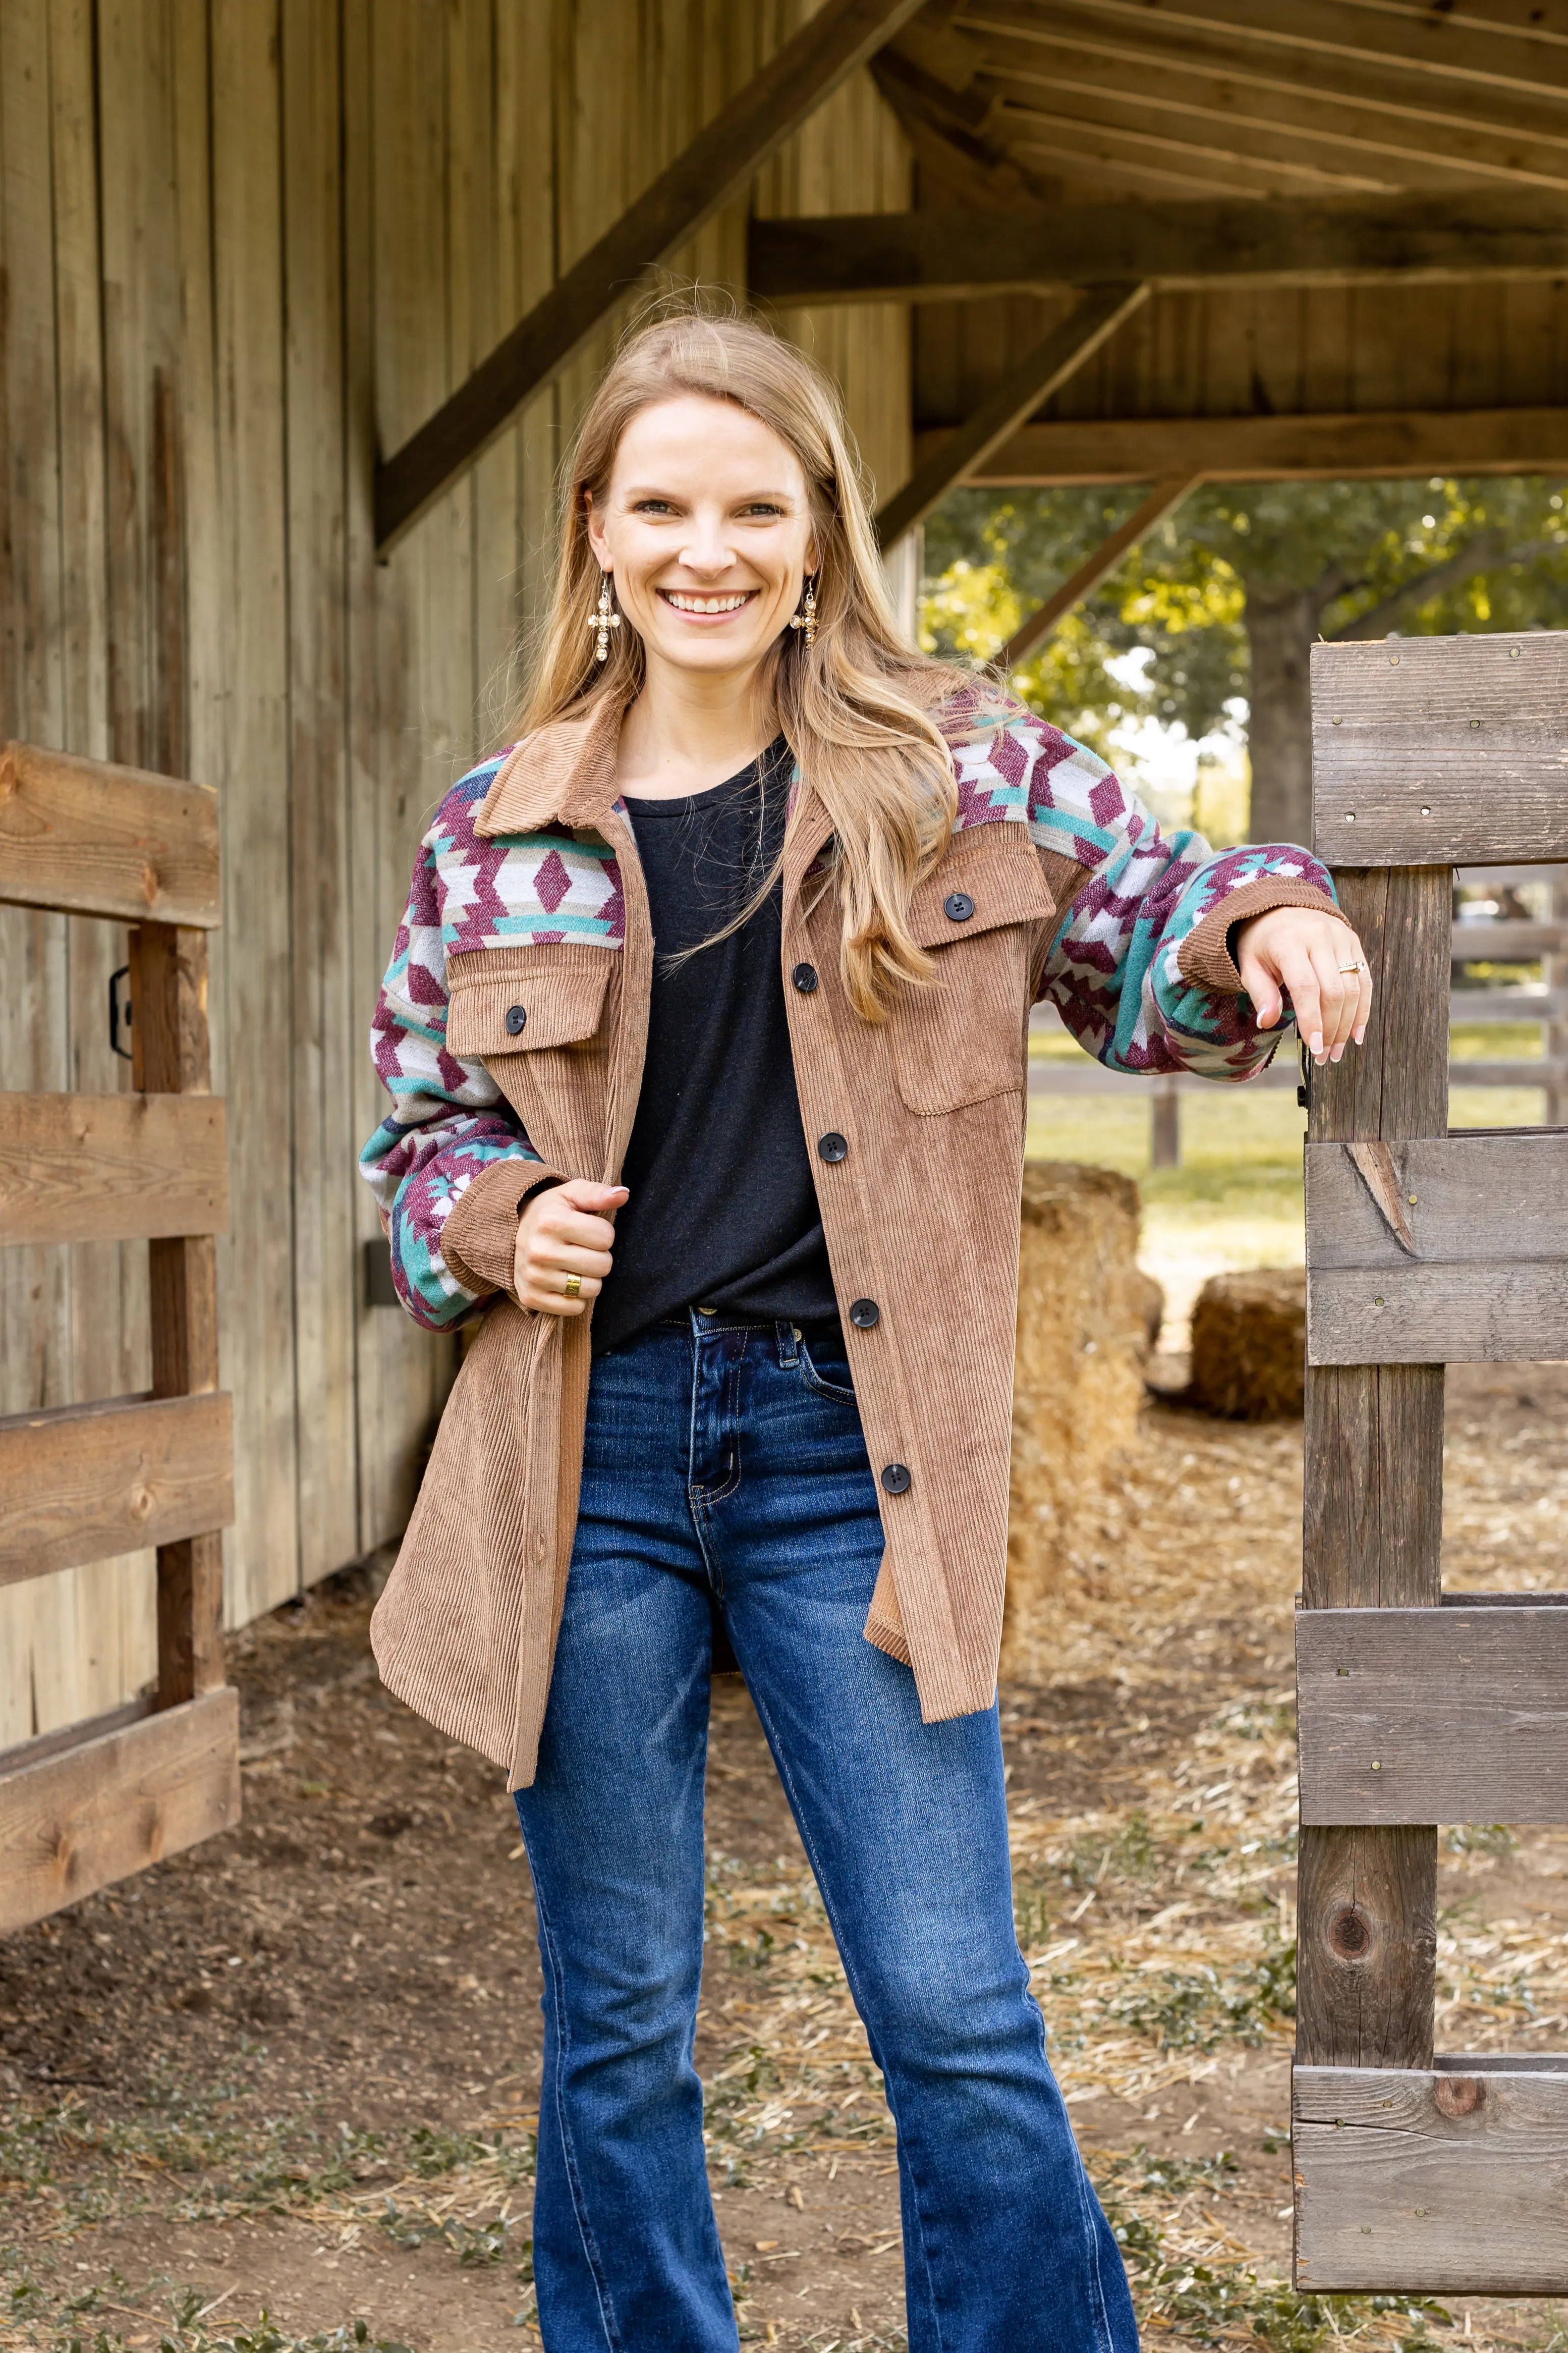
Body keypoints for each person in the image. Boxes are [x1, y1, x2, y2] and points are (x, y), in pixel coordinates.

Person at [360, 309, 1368, 2353]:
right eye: (663, 505)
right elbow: (409, 1136)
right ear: (601, 533)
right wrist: (492, 1218)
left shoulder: (949, 767)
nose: (706, 547)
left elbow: (1152, 923)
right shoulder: (495, 829)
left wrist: (1270, 910)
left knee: (949, 1999)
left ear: (820, 536)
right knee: (620, 2018)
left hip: (851, 1452)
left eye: (756, 504)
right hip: (594, 1458)